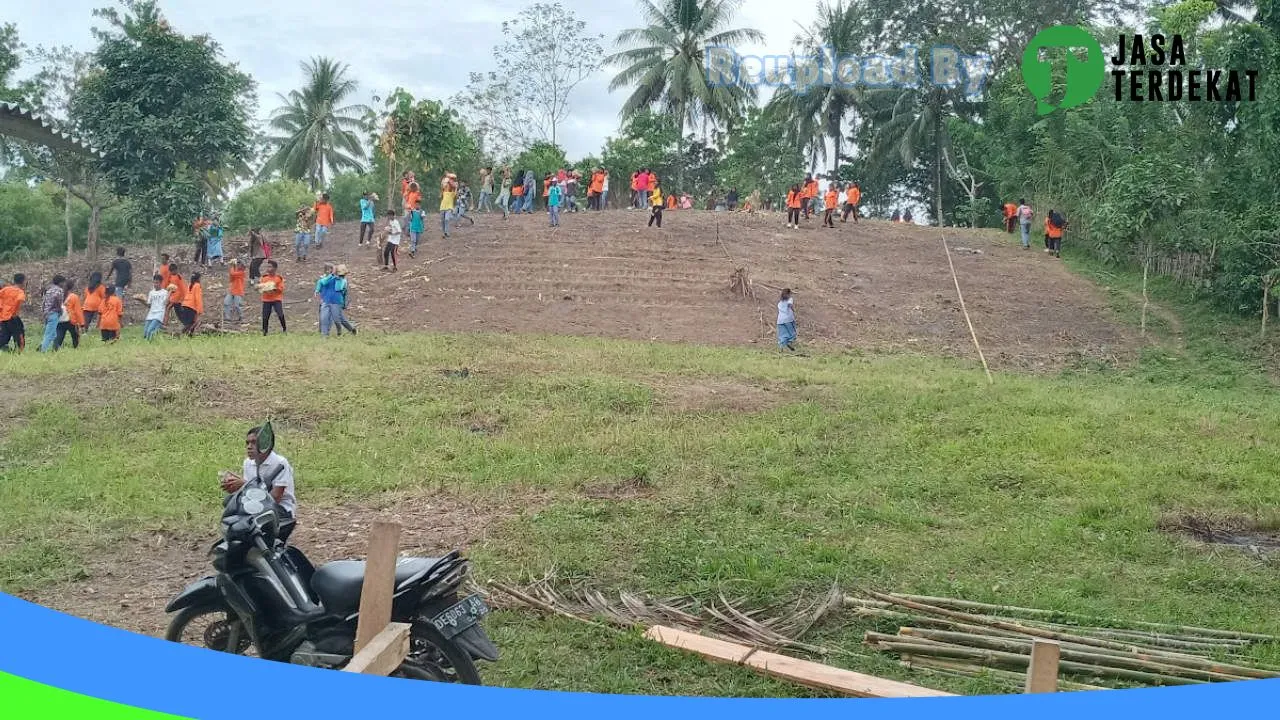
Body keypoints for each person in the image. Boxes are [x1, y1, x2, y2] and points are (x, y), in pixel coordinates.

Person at [220, 423, 298, 540]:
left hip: (280, 510)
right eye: (247, 443)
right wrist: (236, 488)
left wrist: (245, 485)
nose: (249, 447)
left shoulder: (280, 463)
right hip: (257, 506)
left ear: (265, 444)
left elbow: (274, 498)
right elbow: (250, 493)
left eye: (254, 442)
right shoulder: (248, 463)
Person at [38, 275, 66, 352]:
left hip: (47, 313)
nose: (64, 284)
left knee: (53, 333)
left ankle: (56, 348)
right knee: (50, 334)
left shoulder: (49, 290)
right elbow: (58, 299)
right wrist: (60, 309)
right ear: (60, 282)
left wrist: (43, 312)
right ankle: (42, 350)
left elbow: (43, 302)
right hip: (53, 313)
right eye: (63, 282)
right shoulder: (59, 290)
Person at [0, 273, 27, 352]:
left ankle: (4, 347)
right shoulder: (20, 292)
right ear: (23, 281)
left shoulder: (6, 289)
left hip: (3, 317)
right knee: (19, 334)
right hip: (12, 317)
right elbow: (19, 301)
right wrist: (15, 313)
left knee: (4, 336)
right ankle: (19, 351)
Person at [258, 261, 286, 335]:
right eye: (267, 267)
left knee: (280, 314)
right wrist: (260, 287)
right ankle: (264, 332)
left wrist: (274, 288)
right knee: (265, 316)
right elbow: (260, 288)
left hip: (276, 299)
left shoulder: (278, 278)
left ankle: (284, 329)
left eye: (270, 267)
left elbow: (281, 289)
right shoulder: (264, 278)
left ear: (275, 268)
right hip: (266, 299)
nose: (268, 268)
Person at [139, 274, 169, 340]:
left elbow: (166, 303)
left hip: (159, 314)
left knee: (150, 330)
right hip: (151, 313)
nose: (155, 284)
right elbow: (149, 305)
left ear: (161, 283)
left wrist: (170, 293)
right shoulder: (151, 293)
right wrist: (141, 301)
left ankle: (149, 344)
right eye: (154, 282)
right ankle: (150, 340)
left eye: (157, 283)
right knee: (145, 332)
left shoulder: (165, 292)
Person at [55, 278, 82, 350]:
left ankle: (55, 349)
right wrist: (81, 323)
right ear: (72, 287)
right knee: (75, 336)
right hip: (71, 320)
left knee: (59, 336)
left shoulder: (59, 295)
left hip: (60, 319)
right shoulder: (74, 297)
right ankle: (75, 348)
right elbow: (78, 311)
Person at [333, 264, 357, 336]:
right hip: (336, 301)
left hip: (339, 301)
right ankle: (351, 329)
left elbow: (338, 288)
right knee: (340, 318)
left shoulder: (343, 281)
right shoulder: (339, 280)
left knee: (339, 318)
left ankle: (342, 332)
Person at [178, 272, 203, 336]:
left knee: (190, 322)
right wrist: (199, 310)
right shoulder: (197, 285)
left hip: (185, 305)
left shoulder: (190, 285)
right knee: (192, 323)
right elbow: (198, 299)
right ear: (198, 279)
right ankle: (181, 333)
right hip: (191, 306)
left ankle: (189, 335)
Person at [224, 259, 246, 325]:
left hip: (238, 291)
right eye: (238, 264)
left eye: (240, 264)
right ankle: (227, 318)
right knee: (226, 303)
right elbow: (231, 278)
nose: (239, 265)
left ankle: (241, 317)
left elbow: (232, 274)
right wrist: (233, 267)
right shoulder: (236, 271)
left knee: (238, 306)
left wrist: (232, 266)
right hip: (232, 290)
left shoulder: (242, 272)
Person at [777, 288, 797, 352]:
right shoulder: (790, 299)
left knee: (782, 334)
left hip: (780, 321)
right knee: (792, 333)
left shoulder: (780, 302)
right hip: (789, 319)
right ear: (789, 294)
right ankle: (789, 342)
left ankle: (781, 347)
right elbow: (790, 304)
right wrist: (793, 310)